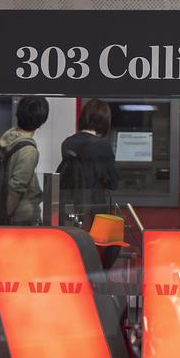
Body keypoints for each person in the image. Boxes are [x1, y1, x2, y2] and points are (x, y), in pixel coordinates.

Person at [61, 98, 120, 268]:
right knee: (97, 259)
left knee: (74, 257)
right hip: (94, 211)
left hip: (71, 209)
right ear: (104, 121)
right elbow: (113, 182)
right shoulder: (102, 146)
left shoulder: (67, 143)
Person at [0, 96, 49, 226]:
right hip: (21, 217)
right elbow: (15, 189)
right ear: (41, 120)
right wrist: (7, 217)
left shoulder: (9, 136)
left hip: (10, 212)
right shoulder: (28, 151)